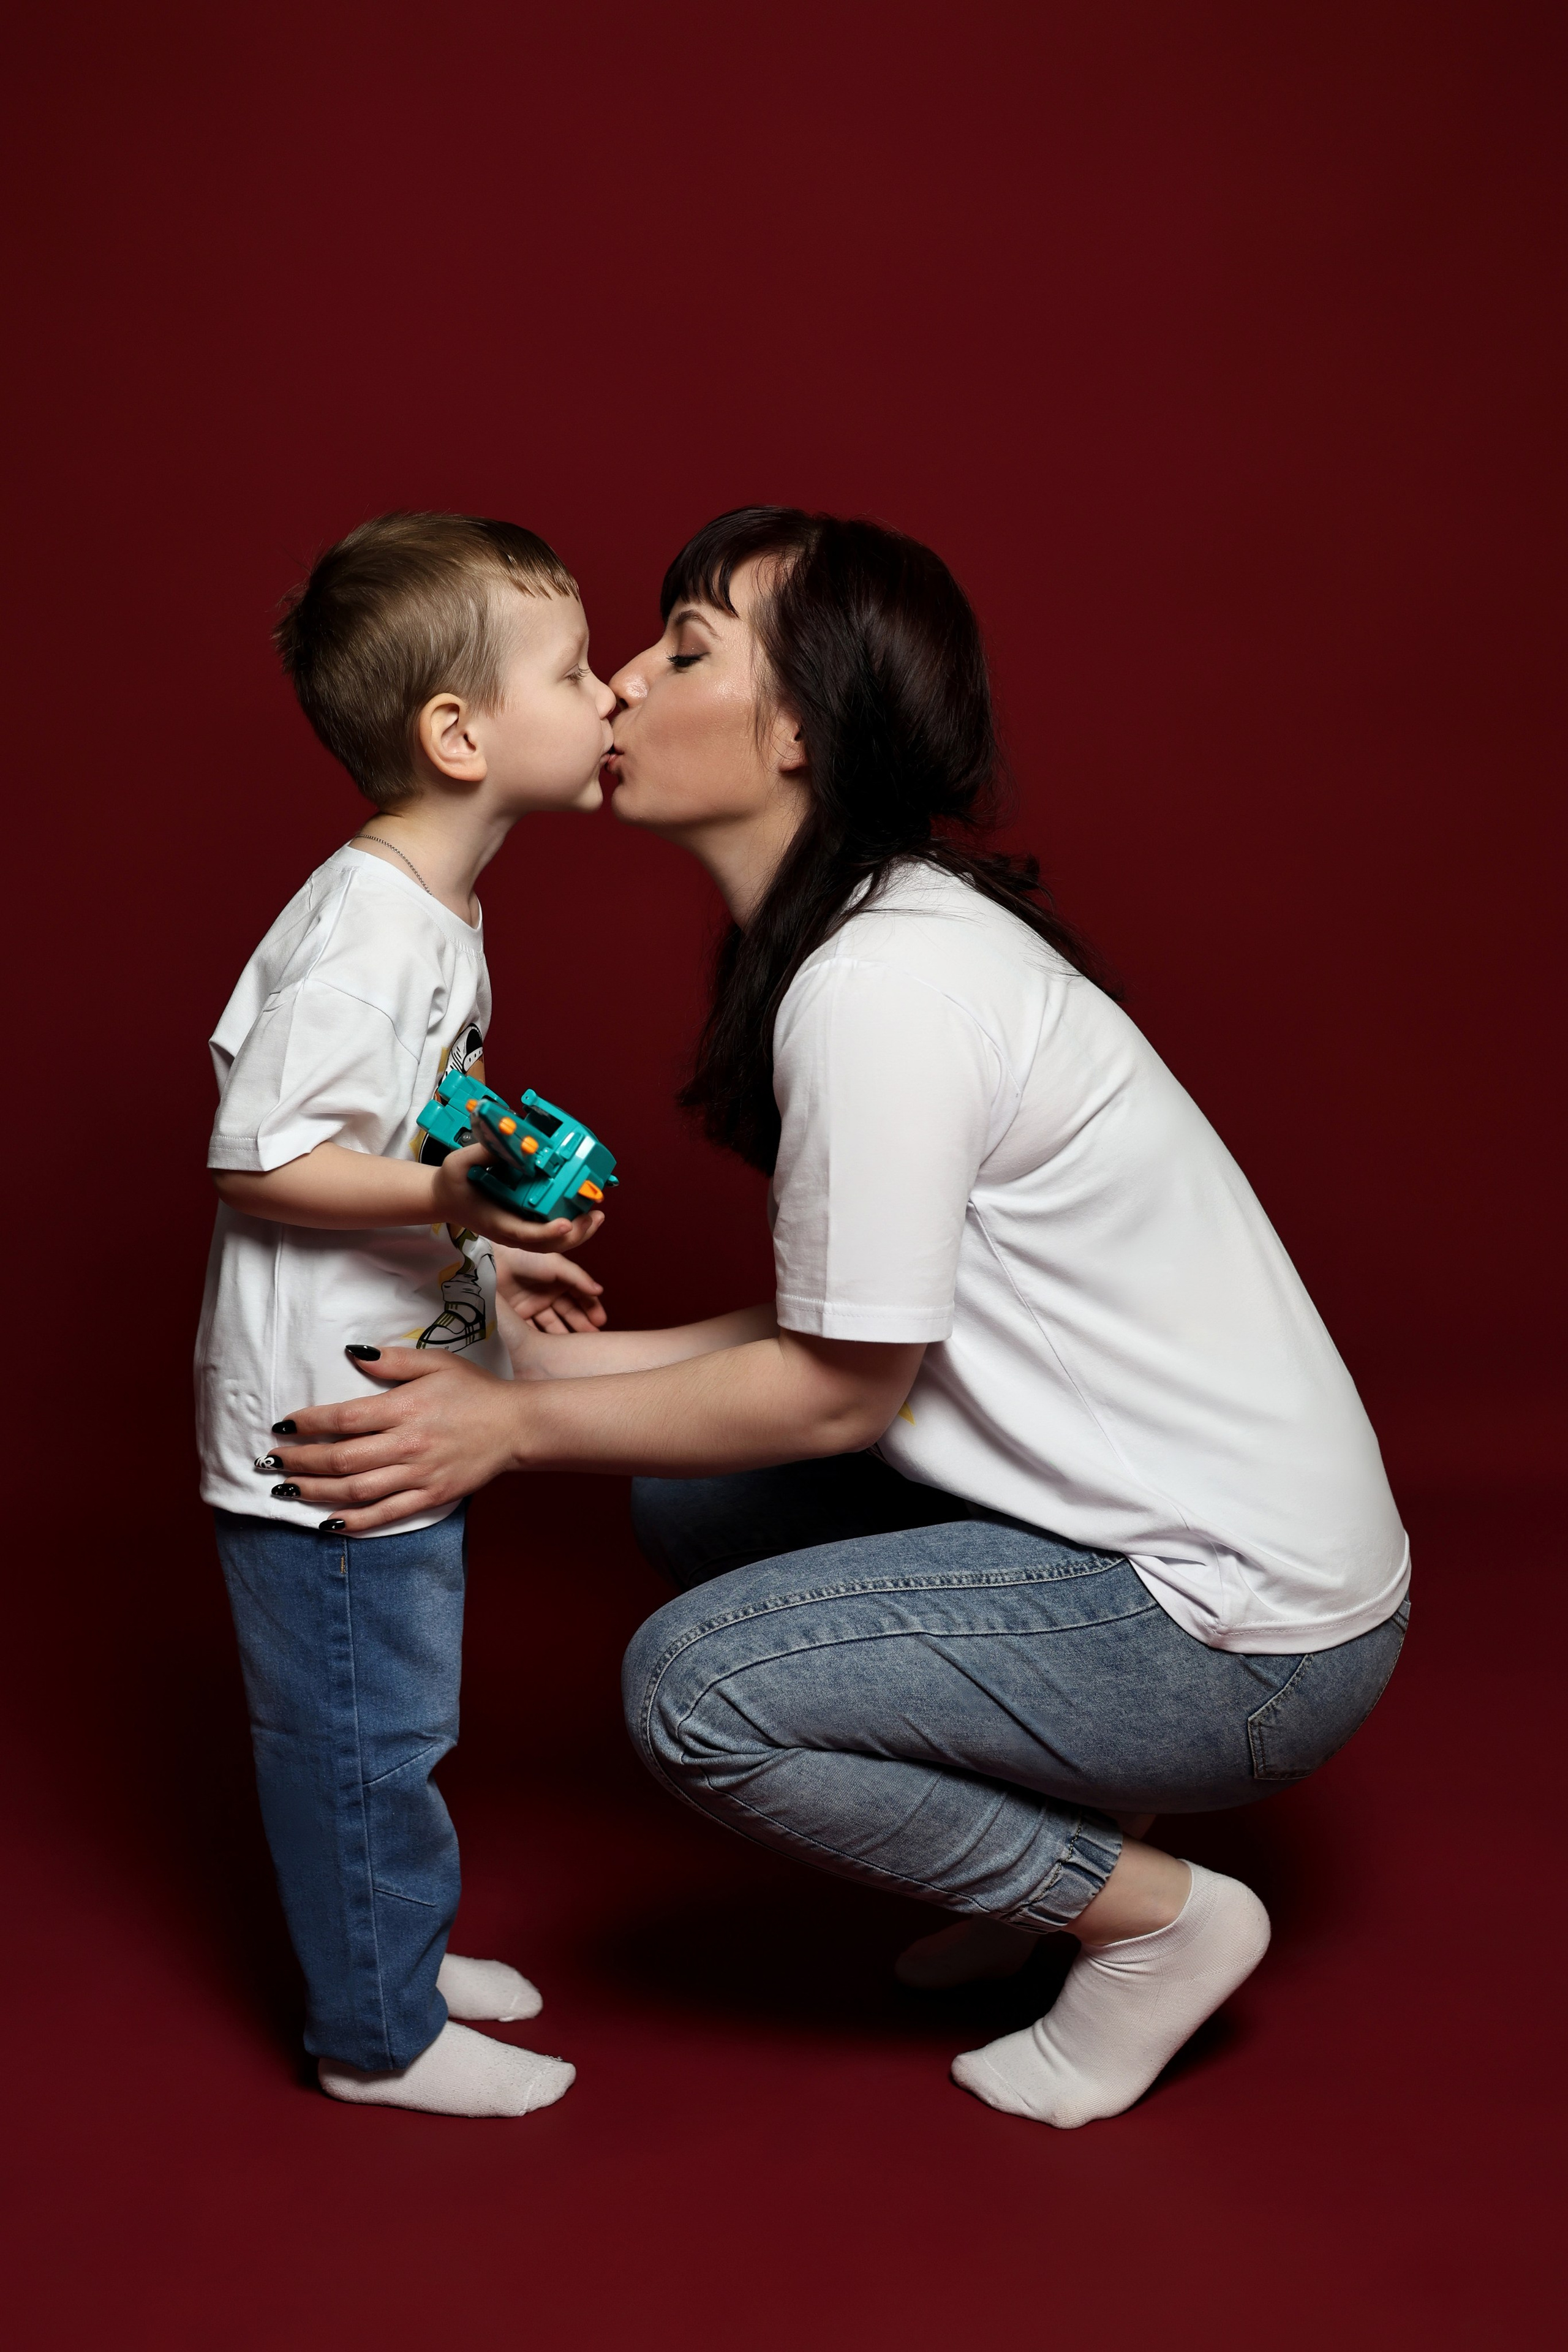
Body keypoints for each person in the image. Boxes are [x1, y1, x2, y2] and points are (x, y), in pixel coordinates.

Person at [266, 506, 1411, 2129]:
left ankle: (1152, 1917)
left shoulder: (884, 985)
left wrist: (512, 1421)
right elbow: (868, 1323)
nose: (616, 683)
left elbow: (837, 1392)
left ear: (797, 727)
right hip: (1196, 1556)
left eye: (679, 649)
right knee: (695, 1491)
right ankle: (1055, 1876)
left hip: (1248, 1643)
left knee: (690, 1689)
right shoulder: (867, 943)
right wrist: (565, 1367)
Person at [195, 511, 616, 2118]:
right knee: (362, 1736)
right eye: (573, 672)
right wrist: (453, 1209)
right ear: (458, 734)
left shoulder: (430, 916)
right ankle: (374, 2038)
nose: (609, 695)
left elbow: (395, 1141)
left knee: (401, 1716)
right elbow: (265, 1159)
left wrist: (495, 1261)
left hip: (395, 1382)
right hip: (324, 1422)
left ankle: (392, 1951)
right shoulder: (368, 930)